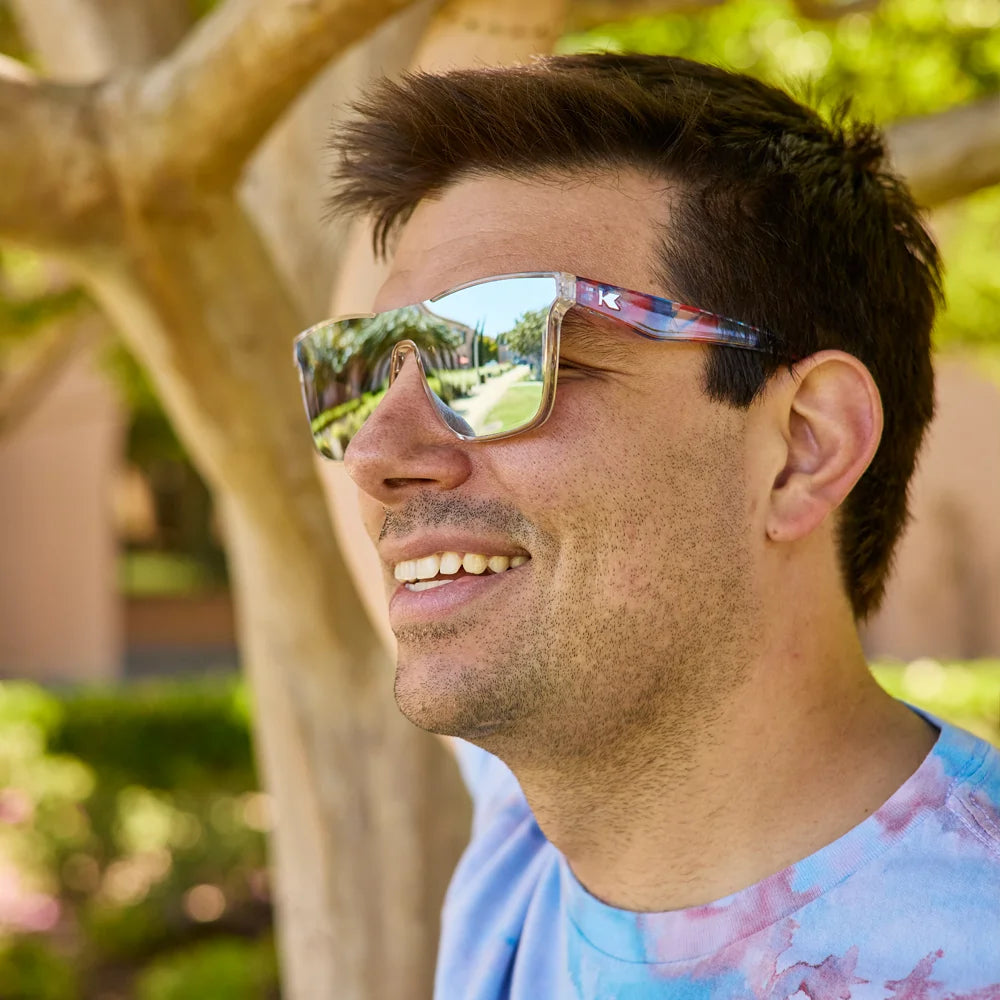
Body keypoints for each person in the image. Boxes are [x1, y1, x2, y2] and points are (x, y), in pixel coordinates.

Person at [294, 54, 1000, 998]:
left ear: (801, 447)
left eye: (508, 355)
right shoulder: (537, 835)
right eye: (368, 369)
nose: (375, 455)